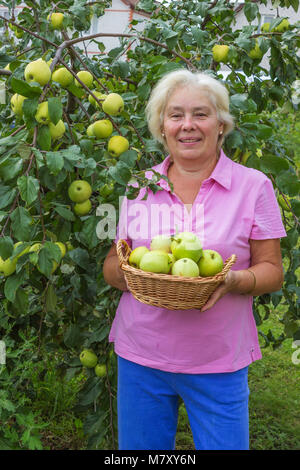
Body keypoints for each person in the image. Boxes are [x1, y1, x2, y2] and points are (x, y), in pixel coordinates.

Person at [103, 69, 287, 451]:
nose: (188, 126)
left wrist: (233, 280)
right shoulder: (140, 186)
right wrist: (133, 273)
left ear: (221, 124)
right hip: (142, 355)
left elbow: (272, 272)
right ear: (162, 127)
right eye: (176, 115)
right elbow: (112, 266)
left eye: (201, 114)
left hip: (218, 359)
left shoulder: (253, 186)